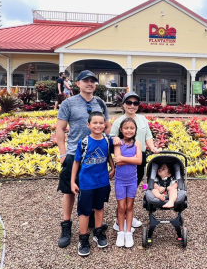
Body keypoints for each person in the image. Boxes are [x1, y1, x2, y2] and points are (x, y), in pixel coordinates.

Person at [54, 70, 111, 249]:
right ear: (77, 83)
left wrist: (107, 146)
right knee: (69, 191)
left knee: (93, 189)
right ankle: (66, 226)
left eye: (92, 81)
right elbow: (60, 129)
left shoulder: (100, 102)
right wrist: (63, 154)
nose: (89, 83)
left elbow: (107, 127)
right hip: (73, 154)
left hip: (95, 157)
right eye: (85, 80)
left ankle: (93, 223)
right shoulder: (69, 103)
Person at [110, 91, 161, 232]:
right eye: (129, 102)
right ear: (124, 104)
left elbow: (148, 136)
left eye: (135, 103)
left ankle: (127, 217)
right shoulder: (118, 121)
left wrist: (153, 148)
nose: (132, 105)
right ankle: (119, 220)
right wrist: (114, 139)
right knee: (123, 191)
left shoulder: (142, 119)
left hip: (140, 157)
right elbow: (112, 137)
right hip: (123, 159)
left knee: (132, 188)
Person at [70, 112, 115, 256]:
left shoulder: (107, 140)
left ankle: (98, 232)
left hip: (102, 181)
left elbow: (108, 155)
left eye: (101, 123)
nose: (98, 125)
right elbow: (76, 162)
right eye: (95, 123)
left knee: (99, 207)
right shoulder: (84, 142)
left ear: (105, 125)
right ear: (88, 125)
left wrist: (113, 167)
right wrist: (72, 182)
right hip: (86, 183)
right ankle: (83, 239)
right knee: (84, 211)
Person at [113, 118, 142, 248]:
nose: (129, 130)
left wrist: (123, 158)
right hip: (120, 180)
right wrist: (132, 159)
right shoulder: (118, 143)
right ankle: (121, 232)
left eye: (131, 128)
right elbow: (117, 163)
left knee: (130, 206)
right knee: (121, 207)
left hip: (132, 181)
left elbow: (139, 161)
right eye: (126, 128)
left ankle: (128, 232)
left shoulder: (137, 144)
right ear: (121, 130)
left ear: (135, 130)